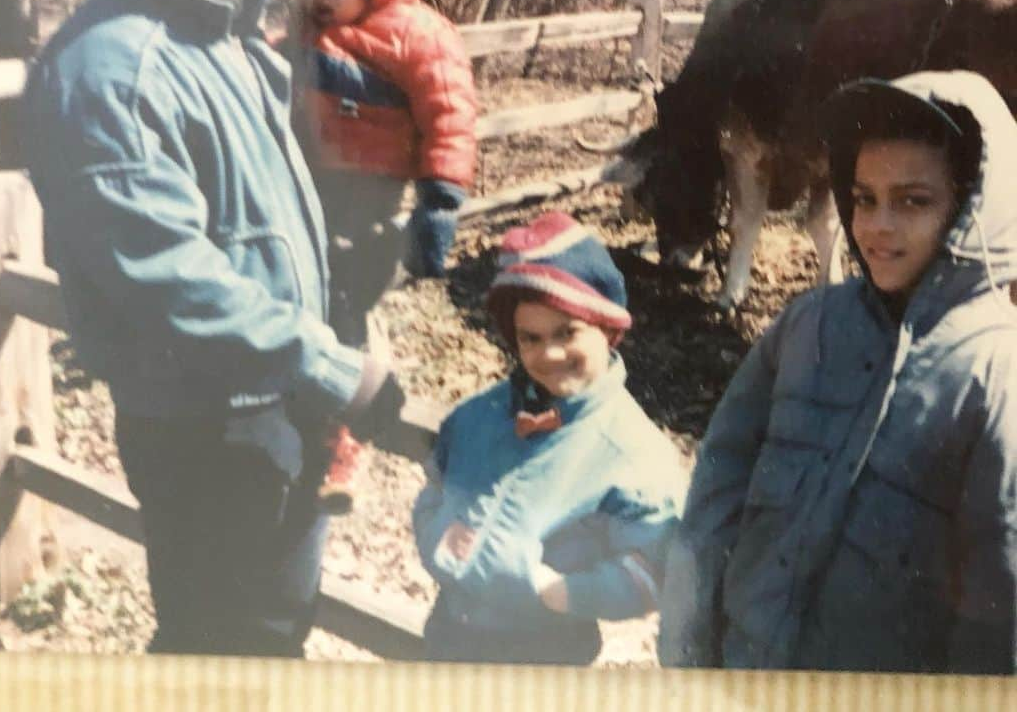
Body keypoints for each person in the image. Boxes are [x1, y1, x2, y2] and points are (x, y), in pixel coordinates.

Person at [23, 0, 405, 657]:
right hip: (212, 429)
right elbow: (166, 276)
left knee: (271, 631)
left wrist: (345, 285)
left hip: (276, 402)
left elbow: (266, 210)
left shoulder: (224, 39)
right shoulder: (108, 73)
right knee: (227, 648)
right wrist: (330, 366)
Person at [659, 70, 1017, 674]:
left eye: (913, 201)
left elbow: (1000, 602)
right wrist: (689, 642)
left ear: (974, 210)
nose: (877, 225)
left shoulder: (994, 371)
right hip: (749, 671)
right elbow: (717, 490)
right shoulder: (807, 325)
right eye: (864, 197)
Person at [412, 211, 686, 665]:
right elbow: (435, 487)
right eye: (531, 338)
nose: (550, 353)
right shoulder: (479, 417)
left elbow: (652, 567)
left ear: (607, 330)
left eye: (567, 332)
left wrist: (559, 592)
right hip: (449, 632)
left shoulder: (632, 451)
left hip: (543, 653)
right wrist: (436, 540)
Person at [274, 0, 478, 338]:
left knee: (352, 292)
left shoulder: (418, 35)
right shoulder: (306, 31)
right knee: (309, 287)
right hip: (308, 179)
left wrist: (440, 202)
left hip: (373, 192)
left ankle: (357, 384)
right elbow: (273, 64)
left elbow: (449, 117)